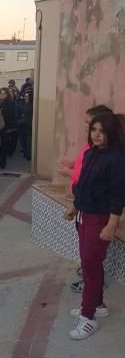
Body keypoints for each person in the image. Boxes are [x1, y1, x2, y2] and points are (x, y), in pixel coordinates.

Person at [68, 112, 125, 340]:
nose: (97, 135)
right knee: (90, 263)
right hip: (84, 214)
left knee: (90, 268)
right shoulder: (91, 153)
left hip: (99, 219)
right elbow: (82, 185)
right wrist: (74, 206)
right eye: (94, 130)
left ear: (112, 133)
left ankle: (88, 317)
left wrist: (111, 225)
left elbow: (118, 195)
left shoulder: (118, 158)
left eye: (102, 131)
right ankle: (98, 304)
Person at [58, 104, 113, 293]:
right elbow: (82, 167)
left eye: (90, 124)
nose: (88, 129)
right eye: (90, 125)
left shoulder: (105, 155)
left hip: (95, 209)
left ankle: (94, 289)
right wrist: (71, 165)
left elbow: (89, 177)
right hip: (82, 204)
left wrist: (69, 172)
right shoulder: (90, 148)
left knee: (92, 255)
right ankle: (91, 282)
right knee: (86, 252)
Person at [0, 88, 18, 169]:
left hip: (6, 127)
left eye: (4, 94)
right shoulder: (0, 102)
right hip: (1, 126)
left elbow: (9, 115)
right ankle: (1, 161)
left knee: (3, 146)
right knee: (0, 146)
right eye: (1, 93)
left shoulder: (9, 103)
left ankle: (3, 162)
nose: (1, 95)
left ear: (7, 95)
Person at [17, 90, 33, 161]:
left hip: (29, 126)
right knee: (22, 140)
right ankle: (25, 152)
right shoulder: (21, 103)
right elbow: (18, 113)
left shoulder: (32, 105)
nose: (26, 97)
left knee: (28, 142)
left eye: (28, 96)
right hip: (21, 125)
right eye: (25, 96)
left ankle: (28, 154)